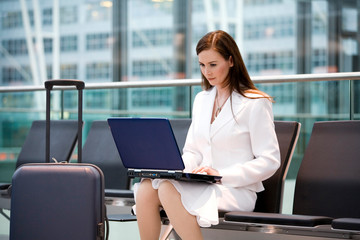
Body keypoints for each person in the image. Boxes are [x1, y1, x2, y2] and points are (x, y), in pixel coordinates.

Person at [133, 30, 280, 240]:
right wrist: (172, 169)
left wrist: (220, 175)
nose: (207, 72)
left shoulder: (255, 103)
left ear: (231, 61)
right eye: (202, 65)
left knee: (166, 188)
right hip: (201, 184)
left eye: (213, 64)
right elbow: (193, 150)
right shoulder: (202, 100)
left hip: (233, 189)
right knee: (147, 187)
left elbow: (270, 161)